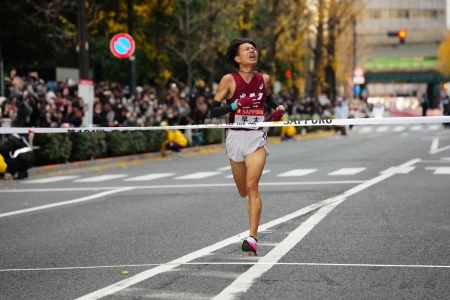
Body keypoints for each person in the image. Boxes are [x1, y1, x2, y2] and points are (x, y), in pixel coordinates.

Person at [209, 37, 285, 256]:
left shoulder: (264, 79)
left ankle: (252, 238)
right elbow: (213, 111)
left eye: (254, 48)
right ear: (237, 58)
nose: (252, 51)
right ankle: (251, 232)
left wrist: (278, 108)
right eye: (246, 49)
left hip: (255, 138)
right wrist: (234, 105)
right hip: (235, 137)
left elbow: (268, 99)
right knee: (243, 190)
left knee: (252, 185)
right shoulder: (228, 80)